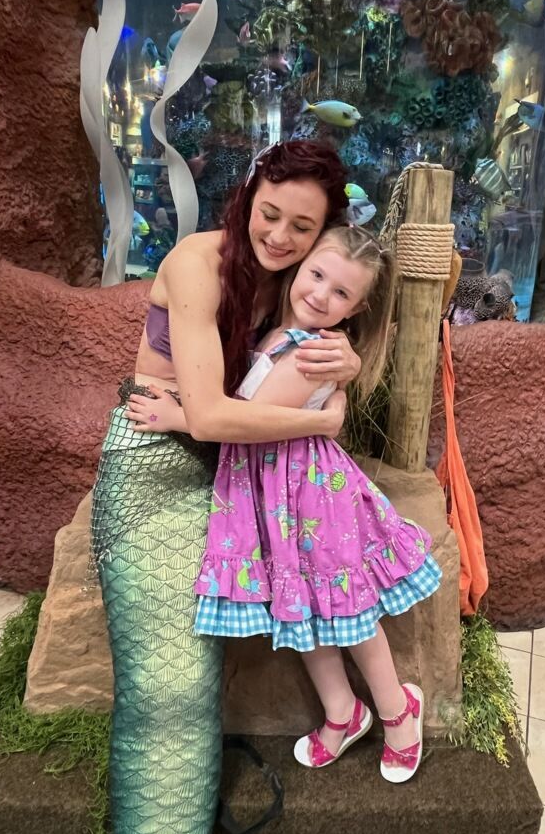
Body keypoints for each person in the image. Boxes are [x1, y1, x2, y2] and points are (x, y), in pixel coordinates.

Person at [91, 141, 361, 834]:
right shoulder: (197, 261)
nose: (277, 237)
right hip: (159, 468)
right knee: (170, 688)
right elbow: (207, 416)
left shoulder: (299, 288)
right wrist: (325, 422)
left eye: (300, 228)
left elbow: (322, 365)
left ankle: (368, 712)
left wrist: (349, 376)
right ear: (247, 196)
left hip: (253, 477)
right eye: (268, 214)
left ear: (322, 234)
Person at [125, 225, 442, 784]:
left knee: (347, 611)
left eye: (340, 293)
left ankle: (398, 709)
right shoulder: (278, 333)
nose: (320, 295)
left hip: (312, 500)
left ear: (358, 307)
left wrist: (180, 416)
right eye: (317, 275)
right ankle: (343, 713)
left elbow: (244, 424)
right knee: (301, 608)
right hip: (275, 499)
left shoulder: (310, 355)